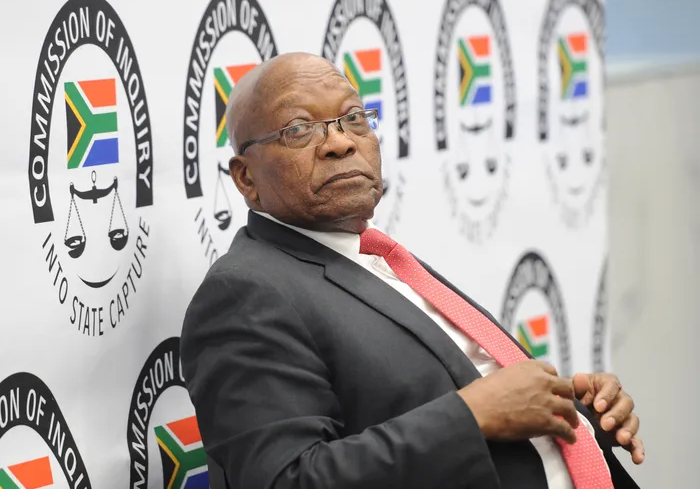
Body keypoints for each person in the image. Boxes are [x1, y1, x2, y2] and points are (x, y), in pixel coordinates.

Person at [181, 52, 643, 489]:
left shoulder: (374, 256)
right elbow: (288, 479)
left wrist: (573, 413)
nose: (340, 142)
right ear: (246, 177)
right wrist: (472, 415)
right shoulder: (244, 294)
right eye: (299, 129)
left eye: (353, 118)